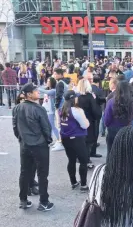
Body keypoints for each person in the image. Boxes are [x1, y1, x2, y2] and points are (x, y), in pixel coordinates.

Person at [12, 83, 54, 211]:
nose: (38, 93)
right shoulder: (38, 109)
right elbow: (46, 128)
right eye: (36, 91)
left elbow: (15, 128)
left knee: (24, 172)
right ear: (29, 94)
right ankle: (44, 202)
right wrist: (48, 140)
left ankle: (23, 200)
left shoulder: (17, 108)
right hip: (39, 145)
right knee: (42, 174)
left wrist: (21, 139)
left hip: (24, 144)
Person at [60, 90, 90, 192]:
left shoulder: (61, 109)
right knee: (83, 161)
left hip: (65, 138)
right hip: (77, 138)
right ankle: (84, 185)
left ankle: (73, 182)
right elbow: (85, 125)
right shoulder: (77, 110)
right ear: (73, 99)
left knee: (71, 160)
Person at [104, 81, 133, 156]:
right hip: (127, 128)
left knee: (111, 152)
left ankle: (111, 167)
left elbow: (107, 119)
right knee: (126, 153)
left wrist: (107, 126)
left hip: (113, 129)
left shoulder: (111, 101)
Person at [77, 79, 103, 166]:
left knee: (80, 140)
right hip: (89, 121)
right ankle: (86, 159)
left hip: (78, 121)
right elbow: (95, 110)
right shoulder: (90, 97)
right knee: (88, 141)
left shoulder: (77, 97)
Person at [53, 68, 69, 151]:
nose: (54, 75)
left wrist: (56, 105)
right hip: (64, 106)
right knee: (62, 124)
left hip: (60, 106)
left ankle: (61, 142)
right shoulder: (64, 82)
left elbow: (58, 95)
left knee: (59, 124)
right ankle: (61, 141)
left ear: (60, 74)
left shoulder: (60, 83)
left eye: (55, 74)